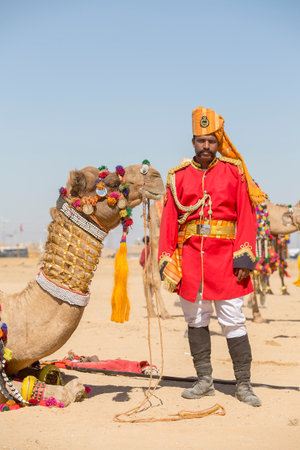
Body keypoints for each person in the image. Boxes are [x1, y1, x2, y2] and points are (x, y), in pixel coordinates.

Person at [158, 106, 266, 407]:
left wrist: (244, 256)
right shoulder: (177, 177)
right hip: (191, 260)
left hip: (226, 260)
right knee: (195, 320)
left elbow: (246, 214)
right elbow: (170, 219)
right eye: (200, 141)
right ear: (192, 142)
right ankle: (204, 381)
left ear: (218, 143)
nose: (206, 147)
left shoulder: (234, 171)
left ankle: (244, 385)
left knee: (233, 320)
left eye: (211, 141)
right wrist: (166, 257)